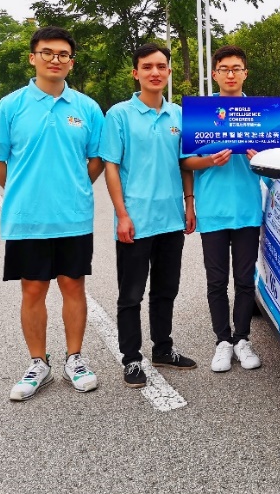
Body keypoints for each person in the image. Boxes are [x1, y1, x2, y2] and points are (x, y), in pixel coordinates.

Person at [0, 26, 105, 401]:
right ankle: (39, 363)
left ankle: (75, 359)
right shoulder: (10, 106)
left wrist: (75, 188)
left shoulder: (86, 108)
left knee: (73, 285)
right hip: (27, 220)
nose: (55, 59)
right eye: (47, 52)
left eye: (63, 54)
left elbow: (96, 160)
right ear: (33, 57)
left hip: (73, 217)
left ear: (71, 62)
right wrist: (24, 192)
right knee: (33, 289)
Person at [99, 43, 198, 389]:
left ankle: (163, 349)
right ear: (136, 73)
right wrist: (121, 215)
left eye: (160, 66)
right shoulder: (119, 115)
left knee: (166, 290)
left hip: (171, 219)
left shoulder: (179, 115)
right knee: (131, 295)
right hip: (135, 221)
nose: (154, 72)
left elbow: (185, 164)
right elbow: (111, 167)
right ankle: (131, 359)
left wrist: (189, 204)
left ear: (169, 71)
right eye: (147, 66)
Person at [181, 45, 263, 372]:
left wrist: (263, 159)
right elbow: (186, 162)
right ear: (215, 74)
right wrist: (209, 161)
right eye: (224, 69)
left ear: (245, 73)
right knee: (216, 282)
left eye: (236, 68)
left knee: (245, 281)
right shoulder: (201, 113)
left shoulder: (261, 114)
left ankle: (242, 339)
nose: (231, 74)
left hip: (247, 210)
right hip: (213, 210)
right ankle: (222, 342)